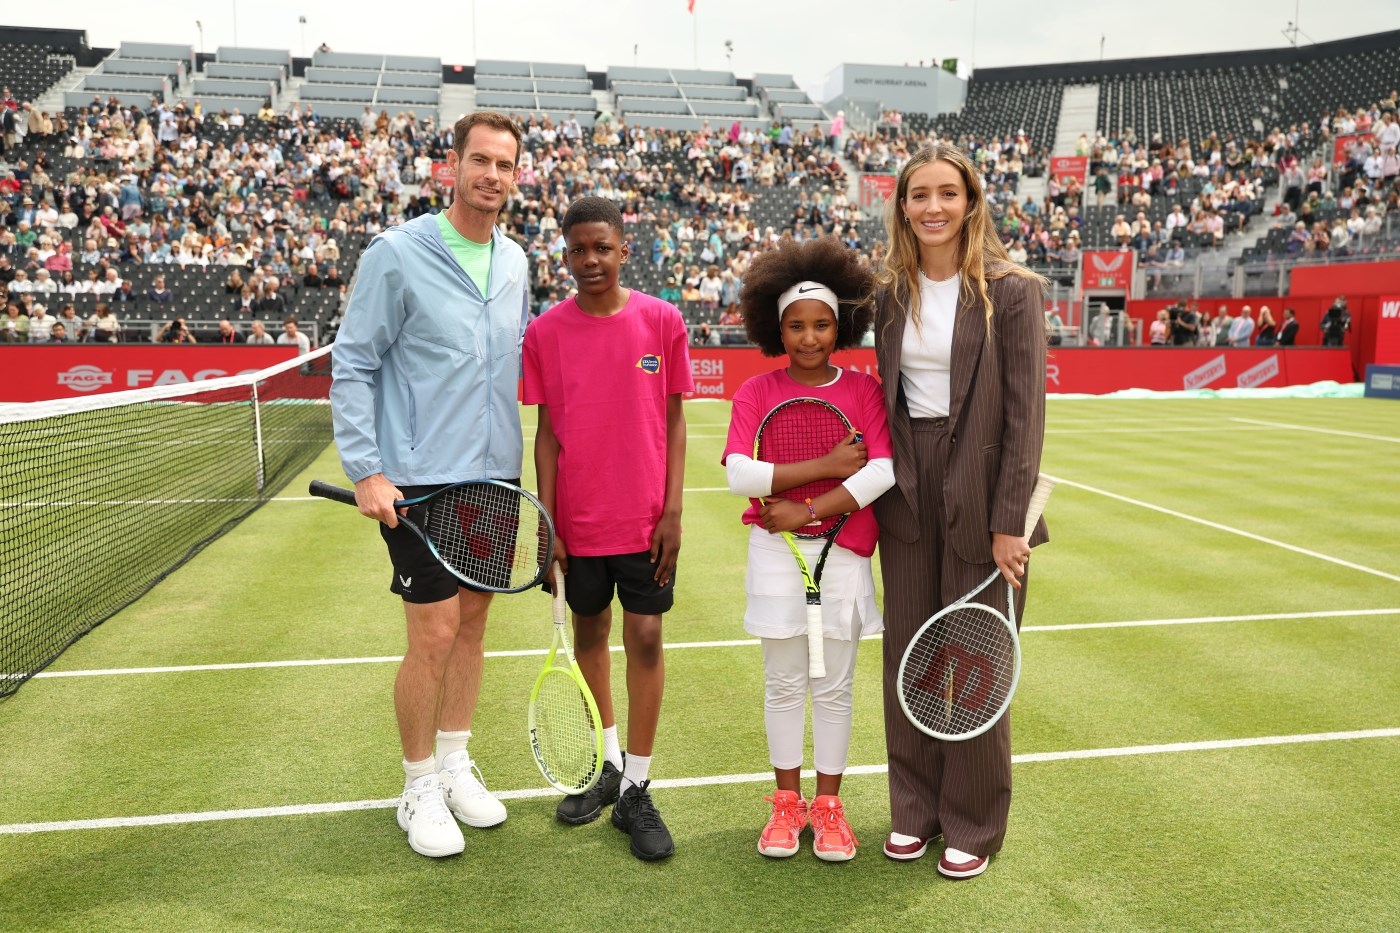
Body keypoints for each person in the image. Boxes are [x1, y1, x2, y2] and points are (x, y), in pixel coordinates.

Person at [329, 111, 529, 859]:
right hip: (419, 479)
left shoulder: (516, 261)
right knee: (434, 631)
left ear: (517, 174)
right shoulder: (396, 253)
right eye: (479, 160)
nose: (491, 175)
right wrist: (367, 469)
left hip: (495, 473)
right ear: (452, 166)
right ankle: (416, 784)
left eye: (504, 164)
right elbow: (352, 364)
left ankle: (453, 762)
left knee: (474, 623)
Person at [871, 143, 1048, 880]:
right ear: (902, 206)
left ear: (971, 201)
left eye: (948, 193)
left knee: (977, 663)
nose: (933, 207)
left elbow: (1025, 415)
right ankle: (915, 809)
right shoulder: (889, 292)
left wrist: (1011, 519)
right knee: (908, 659)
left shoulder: (1013, 290)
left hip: (983, 492)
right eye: (919, 195)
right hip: (908, 488)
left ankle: (974, 820)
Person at [522, 196, 692, 861]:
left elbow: (675, 422)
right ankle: (608, 764)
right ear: (564, 256)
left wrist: (673, 510)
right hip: (577, 523)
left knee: (645, 635)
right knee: (590, 633)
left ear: (624, 250)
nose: (589, 260)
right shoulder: (545, 333)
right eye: (577, 250)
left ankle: (639, 788)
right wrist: (548, 523)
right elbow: (544, 436)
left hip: (646, 521)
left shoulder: (662, 320)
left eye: (602, 247)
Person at [722, 236, 894, 862]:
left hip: (843, 552)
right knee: (785, 684)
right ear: (776, 327)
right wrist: (821, 469)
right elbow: (740, 475)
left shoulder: (864, 390)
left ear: (841, 323)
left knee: (835, 688)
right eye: (796, 326)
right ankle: (786, 805)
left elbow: (882, 472)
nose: (810, 337)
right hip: (777, 553)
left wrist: (813, 509)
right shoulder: (755, 392)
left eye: (822, 324)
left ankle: (829, 808)